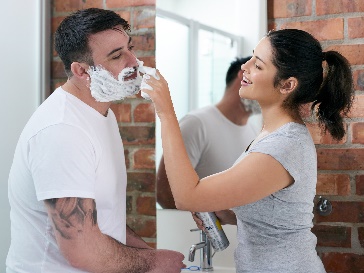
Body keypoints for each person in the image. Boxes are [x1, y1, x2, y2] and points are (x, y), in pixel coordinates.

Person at [142, 28, 354, 273]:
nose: (245, 66)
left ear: (287, 85)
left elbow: (186, 196)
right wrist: (223, 211)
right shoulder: (268, 135)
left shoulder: (283, 146)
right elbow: (271, 219)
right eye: (252, 56)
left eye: (259, 65)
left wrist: (166, 112)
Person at [6, 8, 184, 273]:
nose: (134, 61)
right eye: (117, 56)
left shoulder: (100, 114)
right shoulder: (63, 131)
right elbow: (82, 249)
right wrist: (154, 262)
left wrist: (148, 253)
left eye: (130, 48)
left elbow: (100, 216)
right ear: (81, 71)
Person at [157, 57, 261, 209]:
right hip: (196, 232)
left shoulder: (255, 133)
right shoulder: (196, 124)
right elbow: (165, 194)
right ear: (244, 75)